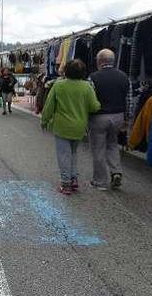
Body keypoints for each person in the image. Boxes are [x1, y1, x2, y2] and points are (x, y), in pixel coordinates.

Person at [40, 60, 101, 195]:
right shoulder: (87, 87)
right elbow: (94, 106)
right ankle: (73, 179)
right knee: (73, 153)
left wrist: (44, 120)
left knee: (63, 155)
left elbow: (49, 105)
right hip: (79, 126)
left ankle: (66, 182)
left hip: (62, 127)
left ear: (66, 71)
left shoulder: (59, 85)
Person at [88, 49, 130, 191]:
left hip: (99, 117)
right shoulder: (124, 77)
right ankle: (116, 171)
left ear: (100, 61)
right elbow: (129, 100)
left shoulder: (93, 77)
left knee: (98, 148)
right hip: (118, 116)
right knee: (112, 144)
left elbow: (90, 99)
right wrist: (127, 118)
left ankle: (100, 181)